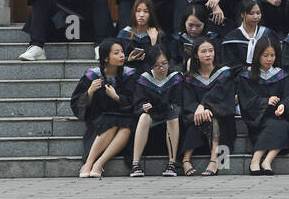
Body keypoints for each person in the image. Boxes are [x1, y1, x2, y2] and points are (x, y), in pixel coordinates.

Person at [73, 37, 136, 178]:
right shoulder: (93, 75)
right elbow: (78, 103)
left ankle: (98, 164)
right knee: (111, 123)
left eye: (122, 52)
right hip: (99, 120)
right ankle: (89, 163)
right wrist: (89, 92)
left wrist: (116, 97)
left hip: (123, 118)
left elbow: (134, 101)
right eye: (116, 53)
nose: (121, 55)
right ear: (106, 58)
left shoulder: (129, 74)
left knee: (125, 127)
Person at [238, 36, 289, 175]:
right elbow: (246, 101)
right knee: (277, 125)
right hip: (258, 119)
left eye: (272, 55)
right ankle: (258, 160)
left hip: (277, 116)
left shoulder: (281, 75)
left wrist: (283, 105)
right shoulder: (247, 76)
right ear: (258, 55)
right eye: (265, 55)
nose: (269, 59)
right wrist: (265, 102)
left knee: (282, 124)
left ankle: (265, 161)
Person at [180, 37, 234, 177]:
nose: (208, 54)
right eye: (204, 51)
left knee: (214, 118)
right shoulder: (190, 78)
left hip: (222, 119)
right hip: (198, 119)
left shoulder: (224, 73)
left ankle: (216, 161)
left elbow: (223, 98)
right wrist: (199, 109)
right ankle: (186, 160)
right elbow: (188, 103)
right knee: (196, 119)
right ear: (196, 55)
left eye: (211, 50)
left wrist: (205, 107)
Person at [127, 47, 183, 178]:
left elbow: (178, 102)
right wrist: (143, 106)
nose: (161, 68)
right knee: (143, 117)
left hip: (170, 114)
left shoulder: (175, 78)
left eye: (164, 64)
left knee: (173, 116)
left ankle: (172, 163)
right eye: (157, 65)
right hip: (153, 115)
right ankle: (135, 164)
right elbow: (138, 102)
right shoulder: (144, 79)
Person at [220, 0, 273, 71]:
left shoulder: (268, 34)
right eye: (251, 13)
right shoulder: (231, 39)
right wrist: (246, 69)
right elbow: (230, 64)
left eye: (258, 13)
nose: (255, 17)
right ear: (242, 14)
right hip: (240, 78)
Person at [116, 0, 168, 67]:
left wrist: (154, 42)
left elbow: (162, 63)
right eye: (138, 11)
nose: (141, 15)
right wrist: (128, 59)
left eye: (146, 11)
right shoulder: (124, 34)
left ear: (151, 14)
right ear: (133, 13)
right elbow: (116, 61)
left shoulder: (158, 34)